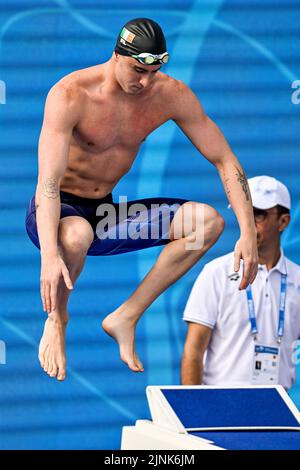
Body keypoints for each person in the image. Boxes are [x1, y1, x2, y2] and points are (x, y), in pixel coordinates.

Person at [25, 18, 258, 381]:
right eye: (138, 70)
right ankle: (58, 319)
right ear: (117, 55)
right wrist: (49, 259)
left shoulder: (170, 95)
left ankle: (126, 316)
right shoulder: (71, 94)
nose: (145, 81)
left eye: (154, 71)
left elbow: (224, 159)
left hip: (103, 213)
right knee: (76, 236)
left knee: (207, 223)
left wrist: (249, 232)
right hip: (57, 211)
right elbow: (48, 184)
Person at [181, 176, 300, 390]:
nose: (248, 222)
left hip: (278, 411)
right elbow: (194, 351)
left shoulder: (297, 279)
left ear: (283, 222)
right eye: (244, 212)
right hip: (221, 410)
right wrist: (196, 413)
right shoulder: (216, 273)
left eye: (259, 214)